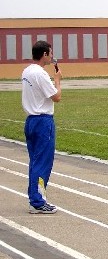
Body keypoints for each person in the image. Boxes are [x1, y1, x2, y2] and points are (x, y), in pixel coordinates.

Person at [21, 40, 62, 214]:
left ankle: (35, 198)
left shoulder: (27, 71)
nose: (52, 57)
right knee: (43, 163)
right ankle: (37, 201)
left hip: (31, 120)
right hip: (43, 121)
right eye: (50, 53)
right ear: (44, 54)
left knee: (35, 161)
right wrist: (58, 80)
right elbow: (56, 97)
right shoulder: (41, 74)